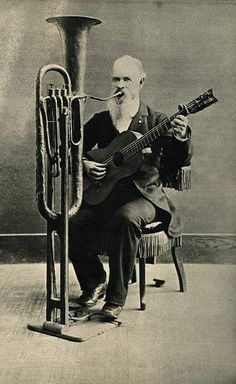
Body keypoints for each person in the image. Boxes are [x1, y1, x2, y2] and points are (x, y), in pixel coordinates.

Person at [69, 55, 193, 319]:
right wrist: (83, 164)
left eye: (127, 79)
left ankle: (115, 299)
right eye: (116, 79)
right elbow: (72, 148)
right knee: (73, 219)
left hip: (143, 197)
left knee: (125, 218)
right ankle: (94, 282)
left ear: (141, 81)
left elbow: (175, 162)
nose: (120, 85)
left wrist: (181, 137)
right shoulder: (101, 119)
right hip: (105, 194)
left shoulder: (156, 121)